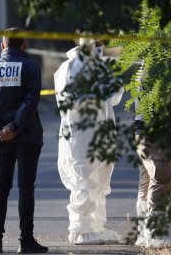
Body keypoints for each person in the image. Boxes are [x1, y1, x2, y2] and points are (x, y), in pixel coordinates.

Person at [0, 27, 48, 254]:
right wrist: (15, 127)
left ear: (3, 46)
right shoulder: (31, 68)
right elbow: (31, 100)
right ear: (24, 45)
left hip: (1, 140)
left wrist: (0, 129)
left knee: (1, 188)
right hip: (27, 137)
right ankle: (25, 241)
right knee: (26, 189)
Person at [54, 39, 123, 245]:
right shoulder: (69, 67)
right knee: (83, 181)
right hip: (81, 135)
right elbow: (71, 100)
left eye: (102, 42)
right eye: (97, 42)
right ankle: (80, 230)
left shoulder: (101, 66)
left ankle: (96, 227)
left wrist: (114, 87)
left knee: (101, 184)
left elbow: (111, 99)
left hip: (101, 133)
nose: (100, 47)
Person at [133, 62, 171, 248]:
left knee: (148, 178)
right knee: (161, 176)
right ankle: (156, 234)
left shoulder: (150, 64)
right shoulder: (160, 66)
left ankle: (146, 232)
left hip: (144, 130)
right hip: (154, 132)